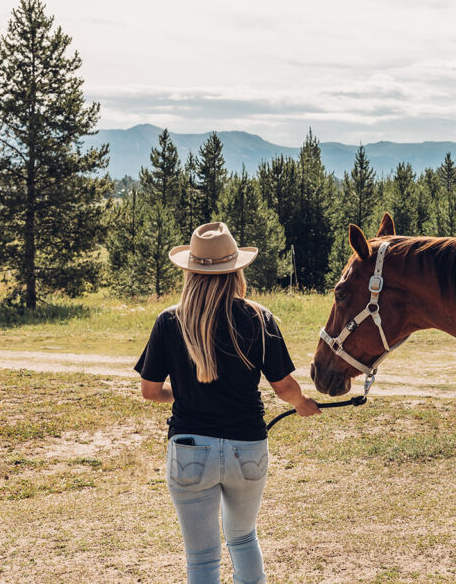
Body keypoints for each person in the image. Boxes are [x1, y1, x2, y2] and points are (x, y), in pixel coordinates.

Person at [136, 222, 320, 583]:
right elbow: (283, 386)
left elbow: (150, 391)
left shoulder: (170, 321)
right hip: (247, 447)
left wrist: (185, 393)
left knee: (201, 559)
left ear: (190, 272)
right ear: (236, 271)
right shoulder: (258, 317)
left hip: (189, 450)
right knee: (243, 538)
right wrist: (302, 403)